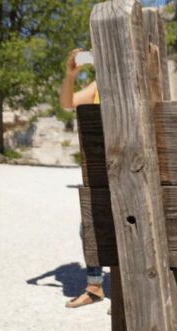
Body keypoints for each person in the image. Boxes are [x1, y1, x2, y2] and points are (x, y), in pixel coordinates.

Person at [60, 48, 105, 308]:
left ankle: (127, 293)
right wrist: (70, 75)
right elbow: (68, 103)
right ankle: (95, 286)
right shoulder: (98, 86)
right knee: (89, 227)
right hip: (102, 169)